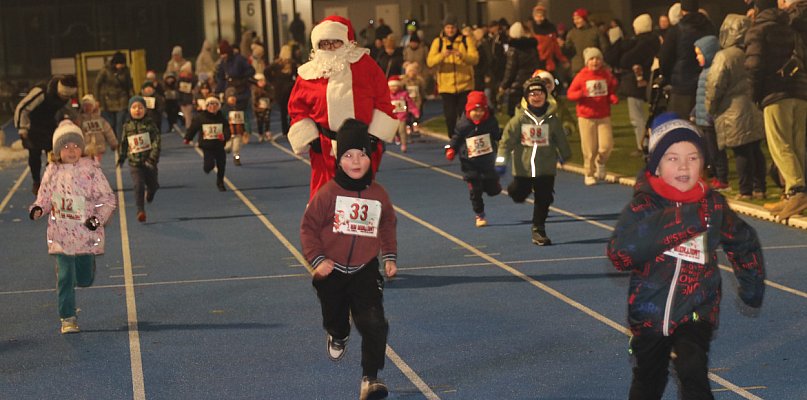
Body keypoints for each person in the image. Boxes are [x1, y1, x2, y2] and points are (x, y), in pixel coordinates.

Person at [607, 113, 765, 400]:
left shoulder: (713, 206)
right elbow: (620, 254)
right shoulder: (644, 205)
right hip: (649, 315)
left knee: (693, 370)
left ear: (703, 163)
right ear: (656, 165)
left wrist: (752, 284)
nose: (683, 165)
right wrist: (682, 221)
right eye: (672, 158)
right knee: (649, 379)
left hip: (696, 309)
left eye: (692, 157)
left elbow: (743, 241)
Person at [300, 118, 397, 400]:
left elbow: (387, 224)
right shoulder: (328, 193)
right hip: (332, 270)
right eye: (348, 155)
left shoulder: (378, 195)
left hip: (365, 270)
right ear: (339, 160)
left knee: (374, 323)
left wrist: (388, 256)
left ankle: (370, 378)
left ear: (370, 157)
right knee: (336, 315)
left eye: (362, 154)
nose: (356, 161)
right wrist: (317, 259)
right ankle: (338, 332)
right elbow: (308, 227)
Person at [287, 15, 398, 200]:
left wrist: (373, 136)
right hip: (324, 147)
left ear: (345, 42)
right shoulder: (308, 73)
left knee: (359, 197)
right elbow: (297, 107)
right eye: (325, 44)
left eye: (335, 43)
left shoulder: (365, 65)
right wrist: (310, 137)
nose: (330, 48)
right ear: (317, 46)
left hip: (361, 144)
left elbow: (383, 100)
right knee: (324, 197)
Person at [29, 120, 117, 334]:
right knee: (65, 276)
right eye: (66, 146)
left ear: (83, 148)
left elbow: (107, 199)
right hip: (61, 234)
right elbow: (45, 196)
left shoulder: (91, 169)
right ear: (57, 150)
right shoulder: (52, 170)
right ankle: (67, 317)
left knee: (84, 279)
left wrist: (97, 219)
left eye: (76, 145)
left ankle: (87, 269)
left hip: (86, 233)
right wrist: (39, 208)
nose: (71, 150)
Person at [745, 0, 807, 219]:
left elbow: (754, 64)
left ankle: (797, 191)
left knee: (780, 144)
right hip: (800, 89)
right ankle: (794, 195)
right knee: (798, 144)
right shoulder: (792, 25)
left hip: (775, 91)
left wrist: (754, 94)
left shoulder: (759, 28)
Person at [496, 78, 571, 245]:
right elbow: (506, 142)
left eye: (540, 94)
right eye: (532, 94)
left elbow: (561, 139)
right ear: (526, 97)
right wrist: (501, 161)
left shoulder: (552, 120)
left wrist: (564, 155)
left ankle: (539, 229)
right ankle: (516, 190)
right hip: (524, 168)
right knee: (519, 193)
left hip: (546, 168)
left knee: (543, 198)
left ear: (546, 96)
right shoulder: (519, 120)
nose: (536, 97)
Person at [705, 14, 766, 200]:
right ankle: (760, 187)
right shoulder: (754, 52)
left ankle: (745, 190)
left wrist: (710, 105)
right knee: (755, 148)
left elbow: (715, 84)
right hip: (754, 106)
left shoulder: (725, 56)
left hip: (733, 109)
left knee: (741, 150)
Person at [14, 75, 78, 195]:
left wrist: (76, 121)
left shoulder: (68, 97)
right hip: (33, 126)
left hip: (50, 125)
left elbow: (72, 110)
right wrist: (22, 129)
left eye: (68, 96)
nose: (65, 98)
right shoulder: (41, 91)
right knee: (34, 155)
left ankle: (52, 182)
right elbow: (22, 108)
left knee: (55, 155)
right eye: (64, 95)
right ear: (60, 89)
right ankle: (36, 182)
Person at [445, 91, 502, 227]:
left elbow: (497, 135)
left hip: (487, 162)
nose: (478, 113)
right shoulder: (463, 125)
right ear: (468, 110)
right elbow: (456, 138)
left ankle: (491, 186)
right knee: (475, 191)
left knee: (493, 189)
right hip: (469, 163)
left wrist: (506, 138)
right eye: (474, 110)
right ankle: (480, 214)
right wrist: (451, 149)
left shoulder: (490, 122)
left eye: (481, 110)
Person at [566, 47, 618, 186]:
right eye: (592, 59)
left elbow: (611, 90)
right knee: (589, 149)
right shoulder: (581, 76)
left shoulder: (606, 75)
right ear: (587, 62)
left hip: (603, 115)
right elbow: (570, 94)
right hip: (586, 117)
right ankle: (589, 173)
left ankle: (600, 163)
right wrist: (580, 94)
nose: (595, 61)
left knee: (606, 146)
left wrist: (612, 97)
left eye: (598, 58)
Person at [658, 0, 715, 119]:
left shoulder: (677, 30)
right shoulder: (709, 27)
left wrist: (669, 77)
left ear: (682, 11)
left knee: (681, 128)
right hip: (707, 83)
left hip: (682, 87)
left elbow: (664, 58)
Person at [427, 14, 479, 138]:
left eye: (453, 28)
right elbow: (430, 61)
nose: (450, 30)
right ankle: (453, 139)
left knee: (464, 115)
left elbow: (475, 59)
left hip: (465, 85)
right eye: (448, 28)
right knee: (450, 116)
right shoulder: (438, 42)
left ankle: (465, 138)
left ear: (457, 28)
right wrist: (442, 55)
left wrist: (462, 55)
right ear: (444, 28)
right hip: (446, 86)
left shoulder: (466, 40)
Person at [617, 14, 660, 157]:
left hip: (638, 83)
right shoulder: (655, 40)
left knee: (637, 116)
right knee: (647, 115)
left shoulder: (642, 42)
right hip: (650, 81)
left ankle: (643, 145)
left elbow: (625, 59)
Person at [693, 35, 729, 191]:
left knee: (716, 150)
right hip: (702, 117)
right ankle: (714, 175)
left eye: (699, 54)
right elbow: (701, 96)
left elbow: (711, 94)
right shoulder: (704, 71)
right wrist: (695, 110)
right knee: (708, 149)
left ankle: (722, 178)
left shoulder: (712, 72)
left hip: (710, 118)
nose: (697, 57)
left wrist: (708, 112)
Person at [117, 96, 161, 223]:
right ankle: (140, 210)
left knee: (153, 185)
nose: (137, 110)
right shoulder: (127, 126)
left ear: (145, 110)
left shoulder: (150, 125)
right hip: (134, 162)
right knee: (138, 184)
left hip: (149, 162)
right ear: (130, 110)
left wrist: (152, 158)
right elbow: (124, 142)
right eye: (134, 107)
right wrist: (122, 157)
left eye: (140, 107)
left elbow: (156, 141)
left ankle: (151, 192)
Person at [184, 96, 231, 192]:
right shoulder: (201, 118)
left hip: (219, 145)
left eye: (215, 105)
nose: (212, 107)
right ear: (206, 106)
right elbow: (193, 128)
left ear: (218, 106)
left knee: (221, 164)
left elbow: (227, 130)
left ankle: (220, 182)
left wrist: (225, 136)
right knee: (209, 166)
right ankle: (207, 167)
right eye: (210, 105)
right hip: (207, 146)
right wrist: (187, 138)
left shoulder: (221, 118)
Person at [215, 39, 256, 139]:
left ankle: (246, 132)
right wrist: (217, 91)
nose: (222, 56)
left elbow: (251, 70)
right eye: (221, 54)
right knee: (228, 112)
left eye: (224, 53)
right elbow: (220, 77)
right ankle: (231, 133)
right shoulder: (223, 62)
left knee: (242, 112)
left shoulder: (240, 59)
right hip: (229, 90)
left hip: (242, 90)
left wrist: (241, 78)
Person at [498, 21, 541, 116]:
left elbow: (510, 70)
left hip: (517, 86)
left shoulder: (513, 49)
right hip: (531, 83)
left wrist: (504, 85)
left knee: (515, 115)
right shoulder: (532, 47)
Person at [94, 52, 133, 138]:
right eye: (120, 63)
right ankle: (113, 138)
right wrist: (97, 99)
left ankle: (119, 140)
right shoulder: (105, 70)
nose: (121, 66)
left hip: (122, 99)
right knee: (111, 123)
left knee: (120, 121)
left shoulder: (126, 70)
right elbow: (97, 84)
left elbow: (129, 85)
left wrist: (132, 97)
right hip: (108, 100)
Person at [563, 8, 610, 75]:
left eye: (578, 19)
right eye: (574, 19)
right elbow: (568, 50)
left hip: (594, 68)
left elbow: (605, 48)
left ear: (585, 19)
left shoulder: (596, 32)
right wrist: (562, 47)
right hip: (577, 69)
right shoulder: (571, 33)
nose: (575, 21)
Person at [264, 44, 298, 135]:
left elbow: (266, 71)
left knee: (284, 111)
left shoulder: (277, 64)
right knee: (290, 110)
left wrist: (272, 81)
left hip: (281, 90)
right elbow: (297, 75)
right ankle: (291, 128)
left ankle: (285, 130)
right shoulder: (291, 64)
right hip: (288, 90)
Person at [77, 94, 118, 163]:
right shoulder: (80, 120)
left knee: (96, 166)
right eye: (85, 105)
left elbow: (108, 131)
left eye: (89, 105)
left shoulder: (100, 120)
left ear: (93, 106)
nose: (87, 107)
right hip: (85, 149)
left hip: (98, 148)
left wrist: (113, 143)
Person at [387, 75, 420, 152]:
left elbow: (410, 104)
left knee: (402, 130)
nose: (393, 88)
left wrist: (415, 112)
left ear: (399, 86)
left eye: (395, 86)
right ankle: (397, 136)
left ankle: (403, 144)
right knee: (395, 131)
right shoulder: (387, 95)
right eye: (392, 86)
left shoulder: (404, 94)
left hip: (402, 116)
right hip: (392, 116)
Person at [224, 87, 247, 165]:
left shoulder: (240, 108)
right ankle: (226, 150)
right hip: (228, 132)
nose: (232, 99)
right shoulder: (224, 109)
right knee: (228, 146)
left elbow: (245, 120)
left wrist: (246, 130)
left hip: (238, 131)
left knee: (236, 147)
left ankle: (236, 157)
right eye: (230, 98)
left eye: (234, 98)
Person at [252, 72, 273, 142]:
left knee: (267, 119)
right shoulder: (254, 89)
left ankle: (267, 132)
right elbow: (254, 99)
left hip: (267, 107)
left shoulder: (268, 87)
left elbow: (272, 96)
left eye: (263, 80)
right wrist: (256, 105)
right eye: (259, 81)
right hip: (258, 108)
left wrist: (269, 99)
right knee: (259, 121)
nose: (262, 82)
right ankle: (260, 134)